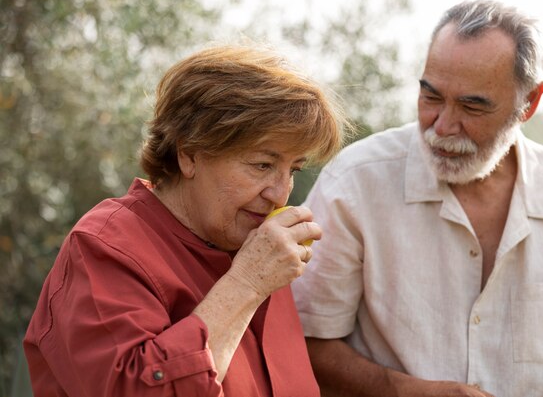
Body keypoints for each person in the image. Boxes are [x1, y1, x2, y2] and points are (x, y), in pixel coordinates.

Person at [291, 0, 543, 397]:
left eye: (472, 106)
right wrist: (410, 392)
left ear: (529, 104)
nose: (444, 126)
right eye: (431, 97)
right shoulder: (354, 183)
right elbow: (306, 341)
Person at [23, 44, 350, 396]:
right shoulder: (105, 247)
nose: (280, 194)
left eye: (293, 170)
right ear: (189, 154)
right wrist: (247, 284)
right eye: (262, 165)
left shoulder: (258, 246)